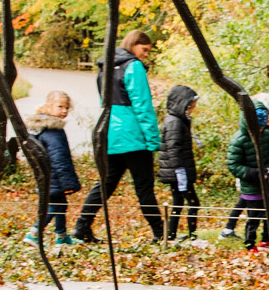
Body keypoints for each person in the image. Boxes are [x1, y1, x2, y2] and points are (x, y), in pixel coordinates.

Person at [75, 29, 166, 244]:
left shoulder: (105, 67)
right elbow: (142, 105)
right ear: (133, 45)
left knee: (105, 184)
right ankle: (162, 233)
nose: (145, 55)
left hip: (110, 134)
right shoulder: (133, 66)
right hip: (133, 136)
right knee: (144, 187)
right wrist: (153, 139)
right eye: (144, 50)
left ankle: (81, 227)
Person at [25, 90, 82, 248]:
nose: (64, 111)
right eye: (60, 106)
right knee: (55, 206)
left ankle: (62, 236)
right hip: (55, 176)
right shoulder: (53, 130)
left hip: (45, 175)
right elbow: (59, 157)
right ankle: (34, 233)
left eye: (67, 108)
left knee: (61, 204)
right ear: (49, 106)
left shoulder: (38, 127)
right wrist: (67, 182)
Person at [226, 92, 269, 253]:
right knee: (254, 216)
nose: (261, 129)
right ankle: (250, 244)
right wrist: (254, 173)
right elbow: (233, 165)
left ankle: (266, 240)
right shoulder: (239, 140)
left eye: (263, 127)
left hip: (267, 183)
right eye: (259, 126)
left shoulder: (265, 134)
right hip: (251, 186)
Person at [157, 83, 203, 242]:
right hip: (178, 172)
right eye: (190, 107)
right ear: (181, 104)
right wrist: (180, 172)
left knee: (178, 203)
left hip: (178, 171)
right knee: (193, 203)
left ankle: (171, 235)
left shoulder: (179, 120)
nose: (192, 110)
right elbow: (173, 148)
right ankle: (192, 236)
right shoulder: (174, 122)